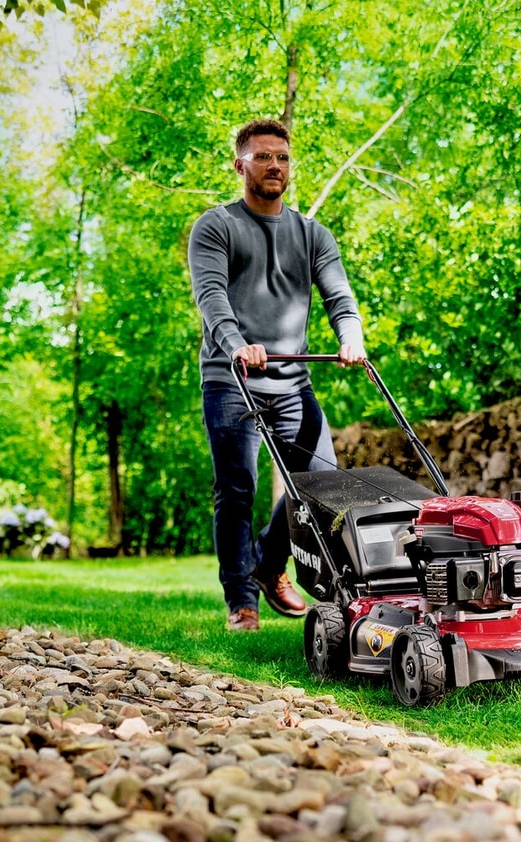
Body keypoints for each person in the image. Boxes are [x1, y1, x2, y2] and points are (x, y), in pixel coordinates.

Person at [188, 118, 366, 632]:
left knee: (319, 484)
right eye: (263, 157)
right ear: (240, 164)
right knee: (236, 489)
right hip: (231, 380)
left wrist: (349, 336)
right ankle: (241, 601)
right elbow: (212, 296)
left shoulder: (312, 234)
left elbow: (339, 296)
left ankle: (269, 565)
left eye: (282, 157)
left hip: (293, 383)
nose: (274, 166)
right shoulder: (216, 226)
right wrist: (236, 344)